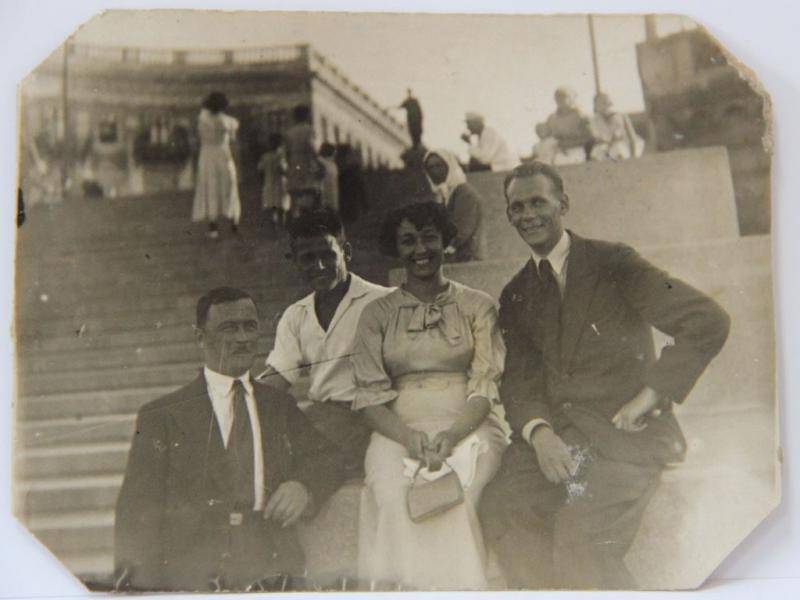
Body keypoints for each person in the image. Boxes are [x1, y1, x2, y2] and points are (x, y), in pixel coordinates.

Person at [479, 162, 731, 590]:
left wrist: (650, 394)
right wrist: (539, 433)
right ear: (508, 215)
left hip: (624, 438)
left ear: (563, 204)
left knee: (580, 538)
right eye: (517, 207)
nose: (528, 215)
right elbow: (519, 381)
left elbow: (707, 320)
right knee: (502, 509)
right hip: (560, 439)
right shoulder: (516, 292)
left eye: (538, 202)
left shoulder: (613, 262)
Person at [114, 287, 345, 592]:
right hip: (194, 569)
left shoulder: (277, 405)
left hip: (270, 562)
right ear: (200, 338)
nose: (243, 338)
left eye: (250, 326)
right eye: (229, 328)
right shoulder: (163, 416)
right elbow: (137, 513)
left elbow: (329, 457)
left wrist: (304, 486)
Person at [351, 202, 510, 590]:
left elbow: (485, 385)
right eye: (408, 241)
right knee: (393, 496)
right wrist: (409, 438)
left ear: (445, 242)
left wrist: (452, 436)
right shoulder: (376, 315)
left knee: (460, 494)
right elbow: (369, 399)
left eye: (429, 238)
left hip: (469, 423)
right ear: (396, 248)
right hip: (397, 429)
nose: (420, 249)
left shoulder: (477, 305)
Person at [260, 209, 390, 475]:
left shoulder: (384, 301)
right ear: (295, 262)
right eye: (307, 258)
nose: (319, 266)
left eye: (327, 255)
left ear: (346, 252)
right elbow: (279, 377)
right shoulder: (296, 315)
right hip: (322, 418)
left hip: (372, 417)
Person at [191, 92, 241, 239]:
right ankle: (234, 222)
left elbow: (197, 137)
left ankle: (213, 227)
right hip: (223, 154)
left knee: (211, 189)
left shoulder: (202, 119)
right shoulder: (228, 121)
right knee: (229, 187)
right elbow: (233, 140)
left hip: (207, 156)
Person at [423, 148, 485, 262]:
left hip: (468, 258)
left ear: (449, 166)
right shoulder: (442, 194)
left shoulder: (464, 192)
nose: (434, 171)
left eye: (439, 166)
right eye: (430, 168)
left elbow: (462, 231)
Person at [531, 87, 593, 166]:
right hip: (556, 152)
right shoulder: (551, 118)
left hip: (576, 151)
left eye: (563, 96)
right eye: (557, 97)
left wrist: (568, 144)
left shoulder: (581, 116)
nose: (560, 99)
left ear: (572, 98)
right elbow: (546, 136)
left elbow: (589, 138)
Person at [285, 104, 322, 216]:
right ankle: (308, 217)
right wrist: (318, 162)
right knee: (309, 191)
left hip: (294, 163)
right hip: (306, 162)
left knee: (295, 194)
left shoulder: (290, 132)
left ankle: (296, 218)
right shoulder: (309, 130)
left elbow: (287, 152)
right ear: (306, 116)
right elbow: (312, 147)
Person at [589, 92, 644, 161]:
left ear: (609, 104)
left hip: (625, 144)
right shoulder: (594, 120)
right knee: (597, 153)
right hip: (606, 146)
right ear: (595, 106)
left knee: (619, 150)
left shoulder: (621, 116)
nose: (602, 107)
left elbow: (632, 136)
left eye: (604, 103)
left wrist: (633, 155)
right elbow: (597, 138)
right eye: (598, 104)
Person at [257, 133, 288, 228]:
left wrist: (262, 181)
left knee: (273, 206)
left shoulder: (265, 156)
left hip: (269, 182)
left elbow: (260, 170)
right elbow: (284, 170)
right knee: (281, 205)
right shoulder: (280, 157)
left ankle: (274, 224)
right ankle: (282, 225)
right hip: (280, 183)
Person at [317, 142, 340, 212]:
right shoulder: (320, 162)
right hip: (324, 196)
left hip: (330, 194)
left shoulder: (331, 164)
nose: (334, 156)